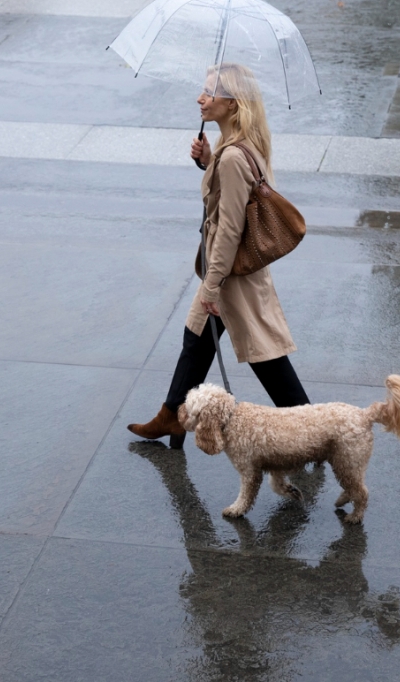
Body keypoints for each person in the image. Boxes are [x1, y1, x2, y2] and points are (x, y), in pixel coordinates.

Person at [128, 62, 311, 450]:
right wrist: (206, 161)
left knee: (266, 357)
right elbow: (233, 197)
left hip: (231, 274)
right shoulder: (238, 148)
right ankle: (173, 415)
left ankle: (310, 430)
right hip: (227, 269)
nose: (200, 97)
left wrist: (212, 284)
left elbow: (229, 228)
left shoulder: (232, 158)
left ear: (231, 104)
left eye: (209, 92)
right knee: (196, 338)